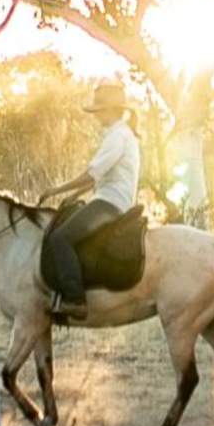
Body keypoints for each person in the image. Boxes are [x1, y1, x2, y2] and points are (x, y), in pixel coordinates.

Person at [38, 82, 141, 319]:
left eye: (98, 111)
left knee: (60, 238)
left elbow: (91, 174)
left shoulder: (118, 136)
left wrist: (55, 190)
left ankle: (75, 300)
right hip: (110, 198)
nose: (96, 117)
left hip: (110, 203)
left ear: (111, 110)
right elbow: (96, 178)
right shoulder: (121, 134)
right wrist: (71, 196)